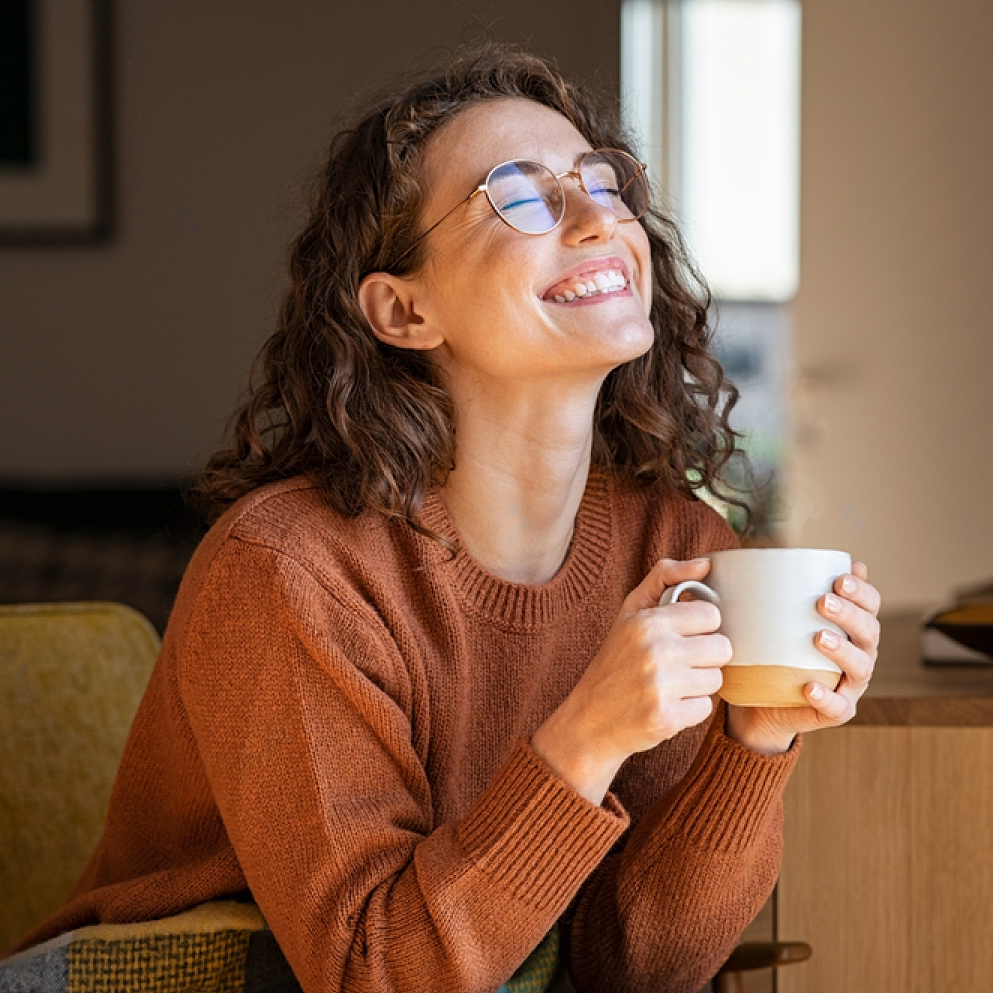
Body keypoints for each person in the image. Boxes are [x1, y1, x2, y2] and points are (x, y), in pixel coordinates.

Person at [10, 46, 881, 993]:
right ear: (403, 309)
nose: (598, 219)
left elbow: (625, 969)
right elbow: (367, 974)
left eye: (605, 181)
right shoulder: (291, 569)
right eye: (519, 196)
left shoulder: (675, 549)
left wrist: (753, 740)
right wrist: (584, 736)